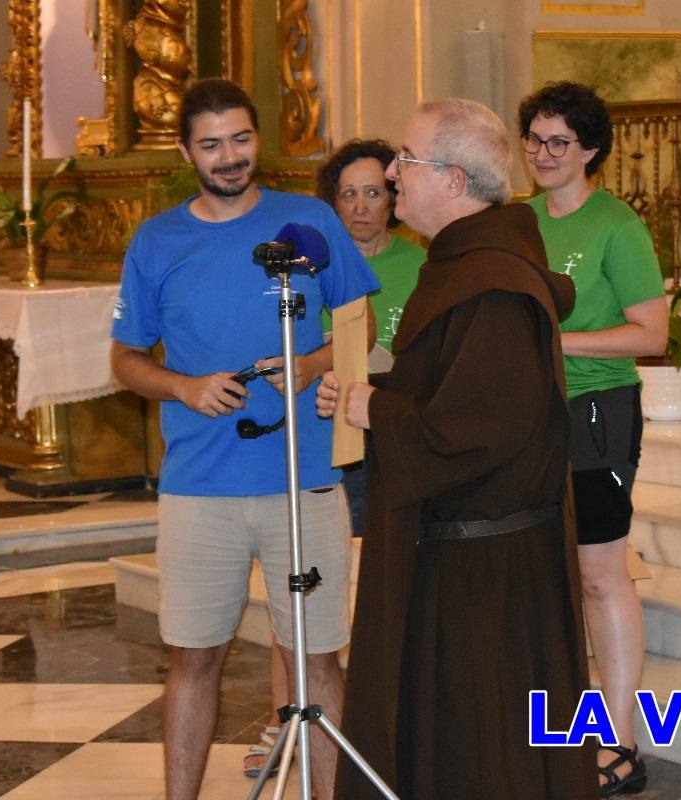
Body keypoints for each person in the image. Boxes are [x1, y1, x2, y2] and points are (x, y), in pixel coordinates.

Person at [317, 98, 597, 800]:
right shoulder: (464, 266)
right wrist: (375, 391)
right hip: (461, 556)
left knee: (479, 752)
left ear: (450, 178)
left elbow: (480, 428)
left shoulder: (491, 283)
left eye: (403, 161)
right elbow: (459, 389)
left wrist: (377, 408)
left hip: (486, 572)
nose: (389, 173)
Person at [109, 77, 379, 800]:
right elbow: (125, 358)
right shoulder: (158, 239)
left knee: (319, 660)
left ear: (258, 139)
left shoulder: (308, 220)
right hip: (201, 486)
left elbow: (361, 325)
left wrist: (316, 364)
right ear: (185, 151)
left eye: (241, 139)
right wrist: (185, 387)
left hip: (306, 476)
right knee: (195, 658)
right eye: (211, 144)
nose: (229, 157)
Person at [243, 138, 427, 780]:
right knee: (302, 578)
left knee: (385, 580)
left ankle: (380, 716)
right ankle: (282, 718)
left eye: (374, 191)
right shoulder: (305, 264)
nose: (360, 205)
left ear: (395, 197)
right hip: (326, 437)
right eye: (346, 193)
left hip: (398, 437)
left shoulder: (421, 262)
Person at [519, 81, 667, 797]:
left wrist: (561, 342)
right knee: (547, 574)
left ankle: (623, 745)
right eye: (534, 140)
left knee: (600, 574)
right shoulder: (515, 221)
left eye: (559, 143)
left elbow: (652, 333)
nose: (543, 155)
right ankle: (560, 730)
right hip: (526, 416)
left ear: (591, 152)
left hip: (597, 411)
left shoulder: (617, 226)